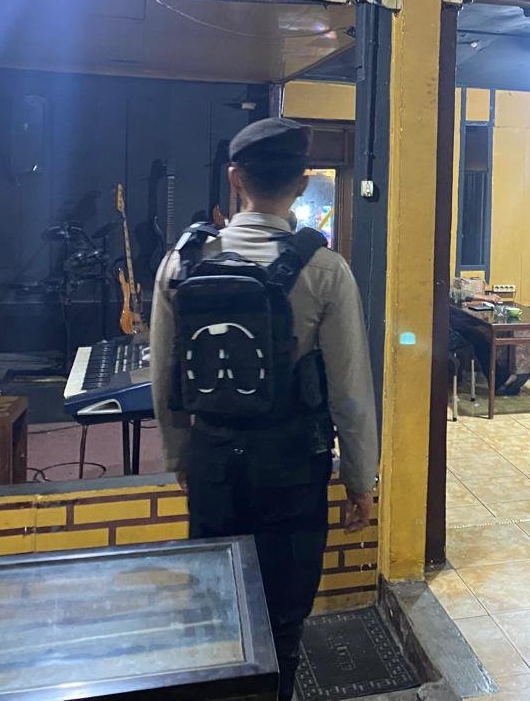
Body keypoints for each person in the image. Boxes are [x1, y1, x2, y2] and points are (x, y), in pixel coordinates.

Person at [149, 117, 378, 698]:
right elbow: (350, 390)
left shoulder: (181, 262)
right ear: (301, 184)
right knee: (283, 620)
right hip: (292, 469)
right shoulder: (324, 269)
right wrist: (359, 480)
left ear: (235, 180)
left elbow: (164, 377)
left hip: (213, 462)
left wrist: (180, 455)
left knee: (217, 611)